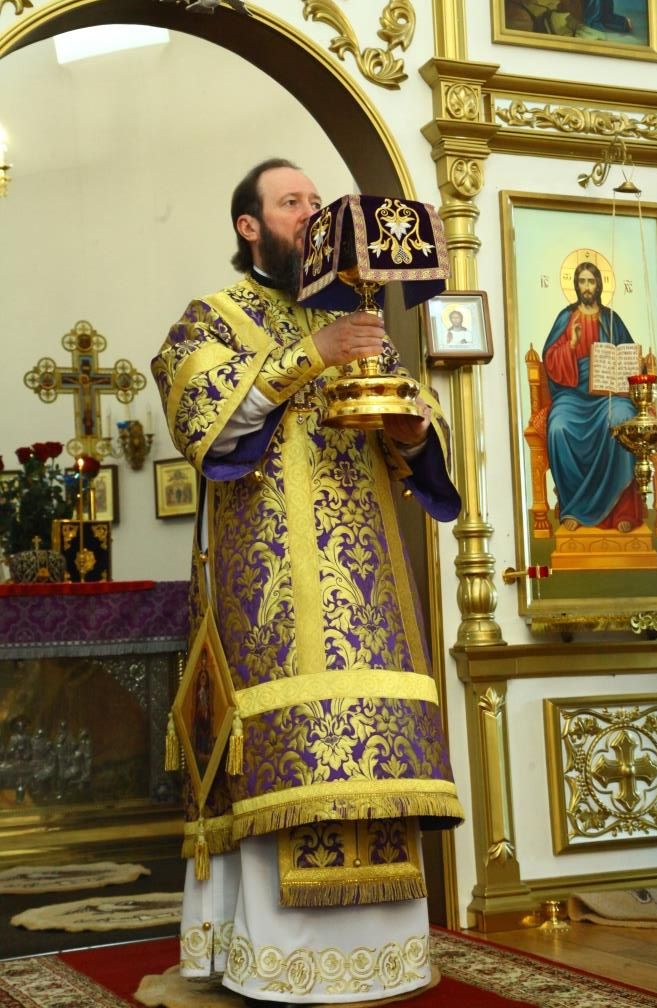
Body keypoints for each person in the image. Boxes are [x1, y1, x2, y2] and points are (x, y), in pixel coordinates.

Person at [152, 158, 464, 1005]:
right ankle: (272, 964)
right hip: (270, 593)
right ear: (249, 225)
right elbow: (200, 420)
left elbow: (413, 425)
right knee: (283, 758)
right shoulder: (212, 317)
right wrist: (306, 356)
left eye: (316, 202)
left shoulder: (355, 319)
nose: (310, 214)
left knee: (374, 750)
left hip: (370, 587)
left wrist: (412, 428)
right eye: (291, 202)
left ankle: (383, 960)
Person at [542, 260, 643, 532]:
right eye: (582, 281)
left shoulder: (611, 319)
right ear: (576, 285)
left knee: (622, 418)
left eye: (591, 281)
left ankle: (621, 509)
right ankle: (574, 507)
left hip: (609, 393)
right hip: (573, 394)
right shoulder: (566, 318)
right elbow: (550, 361)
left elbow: (629, 355)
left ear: (599, 284)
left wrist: (624, 365)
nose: (586, 287)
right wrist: (572, 344)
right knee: (558, 427)